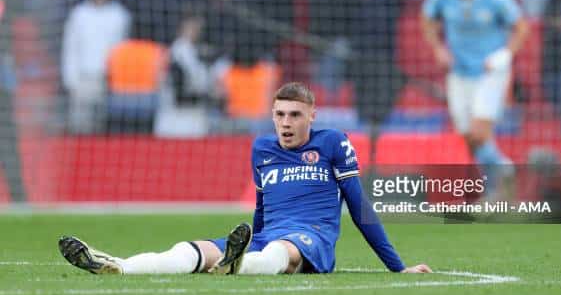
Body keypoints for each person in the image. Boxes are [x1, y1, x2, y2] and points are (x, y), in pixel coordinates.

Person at [58, 82, 431, 275]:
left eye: (295, 115)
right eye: (280, 114)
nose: (286, 122)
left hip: (311, 238)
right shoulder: (262, 149)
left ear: (312, 115)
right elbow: (262, 208)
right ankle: (118, 266)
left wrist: (397, 266)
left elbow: (358, 204)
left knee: (275, 255)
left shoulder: (334, 142)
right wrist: (247, 239)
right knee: (192, 251)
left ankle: (237, 263)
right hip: (266, 234)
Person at [421, 0, 529, 196]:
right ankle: (501, 172)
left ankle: (498, 183)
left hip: (490, 71)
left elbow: (522, 27)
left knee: (480, 131)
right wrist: (438, 49)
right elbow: (426, 20)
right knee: (467, 135)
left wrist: (506, 54)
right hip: (458, 72)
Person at [61, 0, 131, 134]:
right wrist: (71, 81)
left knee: (103, 130)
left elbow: (122, 50)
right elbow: (70, 48)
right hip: (83, 80)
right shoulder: (78, 14)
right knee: (80, 129)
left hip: (109, 81)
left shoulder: (120, 15)